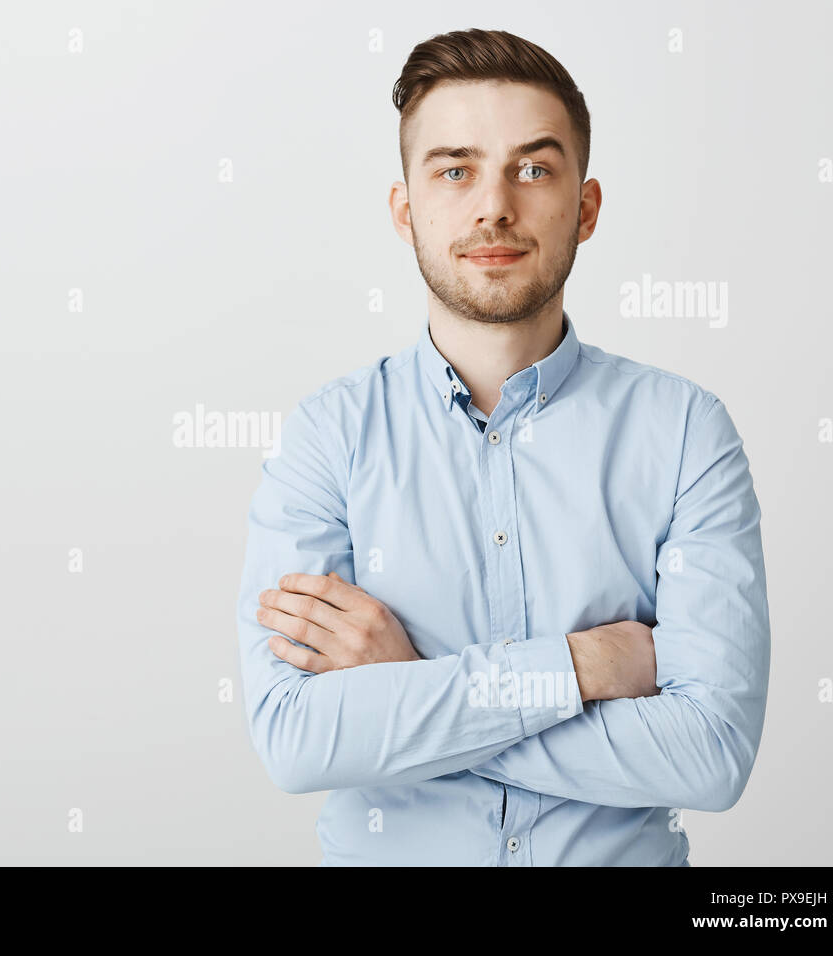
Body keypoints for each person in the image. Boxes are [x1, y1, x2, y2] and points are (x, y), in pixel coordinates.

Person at [235, 28, 770, 866]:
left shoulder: (685, 433)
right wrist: (579, 666)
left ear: (585, 209)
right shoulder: (327, 437)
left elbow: (709, 754)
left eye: (532, 168)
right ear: (405, 208)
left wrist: (411, 686)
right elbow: (297, 741)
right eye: (455, 170)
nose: (494, 206)